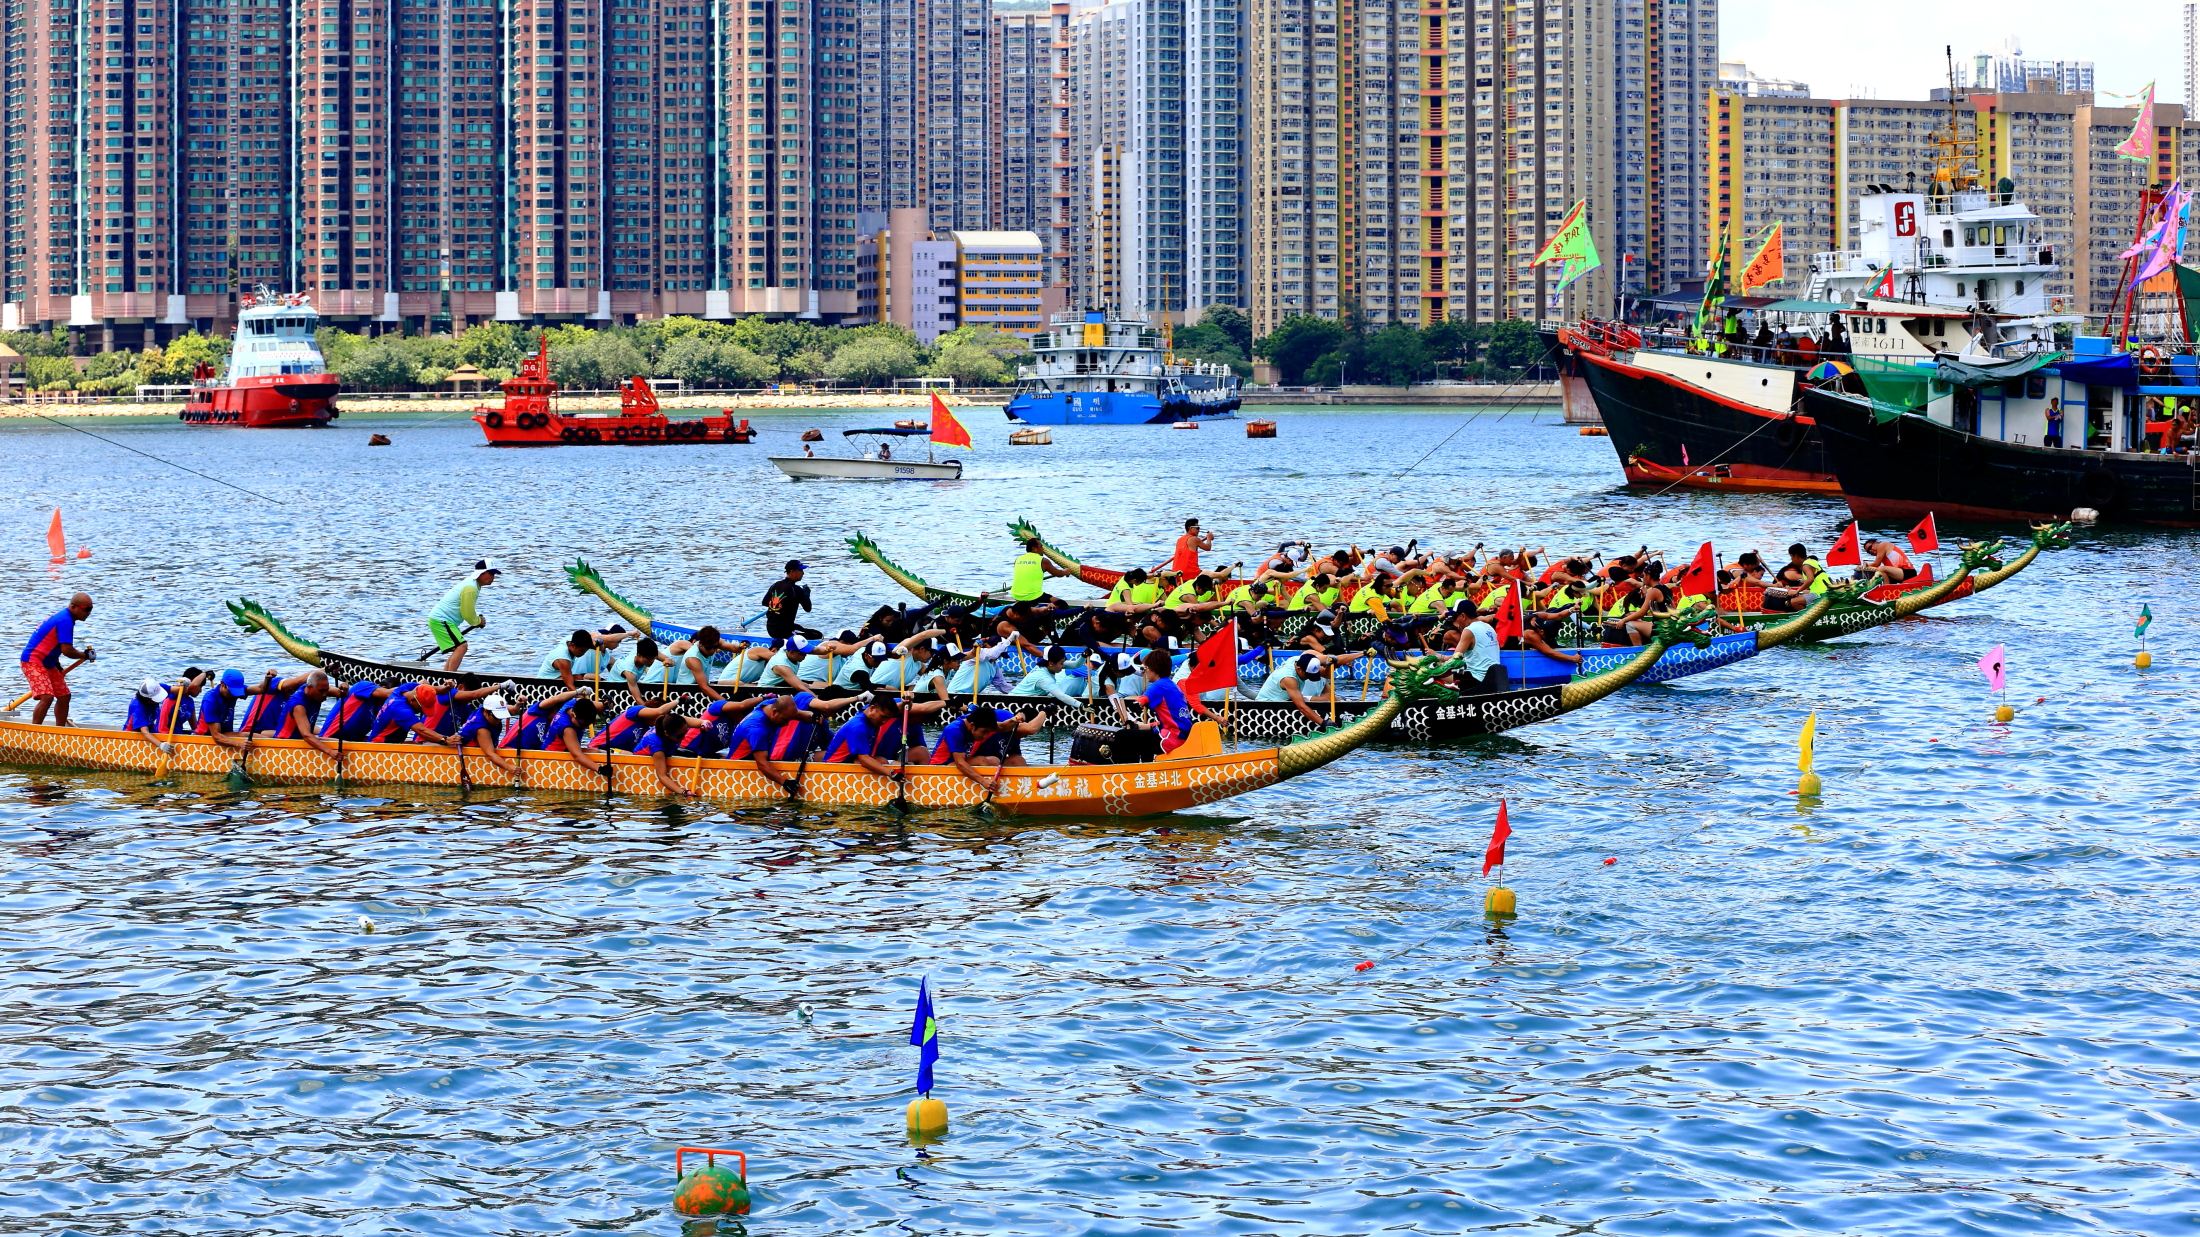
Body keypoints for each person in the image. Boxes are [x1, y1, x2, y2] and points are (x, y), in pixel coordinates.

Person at [729, 690, 856, 795]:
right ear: (774, 712)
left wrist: (812, 717)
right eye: (785, 720)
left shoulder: (770, 705)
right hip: (737, 770)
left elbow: (799, 715)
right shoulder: (757, 729)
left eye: (789, 720)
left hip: (755, 758)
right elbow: (762, 764)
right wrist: (785, 782)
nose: (786, 724)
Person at [825, 693, 950, 777]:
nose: (884, 722)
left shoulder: (873, 721)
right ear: (872, 708)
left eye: (887, 718)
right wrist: (891, 773)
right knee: (882, 761)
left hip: (854, 763)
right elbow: (863, 760)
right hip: (834, 772)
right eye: (883, 717)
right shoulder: (858, 726)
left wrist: (908, 702)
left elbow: (904, 707)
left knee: (888, 760)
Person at [20, 591, 95, 726]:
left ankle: (60, 732)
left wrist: (57, 663)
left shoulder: (65, 618)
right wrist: (84, 655)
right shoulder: (65, 620)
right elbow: (67, 650)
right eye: (86, 609)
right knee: (47, 697)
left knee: (64, 696)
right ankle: (33, 732)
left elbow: (51, 643)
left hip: (48, 662)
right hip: (33, 661)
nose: (89, 612)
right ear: (73, 607)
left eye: (91, 609)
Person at [933, 705, 1041, 794]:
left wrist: (1015, 719)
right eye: (984, 732)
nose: (985, 736)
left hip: (957, 764)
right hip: (940, 768)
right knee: (983, 760)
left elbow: (1003, 727)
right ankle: (988, 788)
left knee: (1003, 760)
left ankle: (1009, 789)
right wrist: (983, 781)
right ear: (972, 726)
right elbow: (960, 763)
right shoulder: (954, 730)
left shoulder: (980, 722)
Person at [1122, 647, 1207, 751]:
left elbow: (1144, 698)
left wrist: (1137, 704)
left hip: (1171, 739)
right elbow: (1170, 721)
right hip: (1183, 736)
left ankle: (1133, 766)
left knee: (1123, 734)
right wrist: (1140, 726)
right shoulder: (1173, 686)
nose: (1145, 672)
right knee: (1142, 733)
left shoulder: (1158, 685)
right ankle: (1148, 765)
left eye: (1146, 668)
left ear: (1154, 669)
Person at [427, 559, 500, 672]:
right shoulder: (471, 588)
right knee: (462, 646)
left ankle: (445, 676)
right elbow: (467, 614)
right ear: (482, 573)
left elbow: (467, 613)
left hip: (443, 620)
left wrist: (476, 620)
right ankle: (448, 679)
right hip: (441, 620)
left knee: (459, 647)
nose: (493, 577)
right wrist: (478, 621)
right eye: (490, 573)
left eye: (494, 574)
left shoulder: (472, 584)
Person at [269, 671, 346, 765]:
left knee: (342, 743)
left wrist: (344, 688)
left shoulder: (315, 690)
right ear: (309, 687)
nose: (325, 694)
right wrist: (330, 752)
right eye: (322, 691)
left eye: (326, 690)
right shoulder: (298, 705)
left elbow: (341, 693)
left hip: (301, 740)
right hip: (286, 745)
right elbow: (306, 735)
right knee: (335, 744)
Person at [125, 671, 206, 758]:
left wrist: (184, 685)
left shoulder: (157, 688)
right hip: (133, 736)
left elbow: (181, 691)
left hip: (152, 731)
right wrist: (160, 745)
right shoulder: (137, 707)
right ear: (147, 700)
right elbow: (145, 732)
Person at [196, 668, 277, 753]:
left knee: (248, 735)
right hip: (206, 738)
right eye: (232, 691)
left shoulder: (235, 690)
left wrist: (268, 678)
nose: (234, 695)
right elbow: (216, 736)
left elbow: (261, 689)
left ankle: (276, 746)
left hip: (225, 734)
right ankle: (275, 748)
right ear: (222, 684)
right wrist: (239, 744)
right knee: (244, 735)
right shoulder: (210, 700)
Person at [1255, 651, 1341, 726]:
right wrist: (1324, 723)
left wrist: (1329, 665)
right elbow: (1301, 707)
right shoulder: (1289, 678)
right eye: (1308, 675)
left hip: (1285, 700)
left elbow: (1326, 675)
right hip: (1266, 708)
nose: (1308, 678)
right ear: (1299, 669)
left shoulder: (1305, 664)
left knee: (1326, 698)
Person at [537, 626, 629, 688]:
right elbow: (570, 686)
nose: (583, 654)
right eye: (581, 651)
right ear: (572, 645)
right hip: (545, 684)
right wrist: (581, 700)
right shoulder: (563, 658)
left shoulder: (577, 641)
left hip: (560, 677)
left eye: (585, 651)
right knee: (580, 678)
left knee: (582, 677)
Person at [1451, 600, 1510, 693]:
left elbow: (1455, 659)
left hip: (1476, 677)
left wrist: (1437, 657)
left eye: (1455, 617)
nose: (1456, 621)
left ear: (1463, 616)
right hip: (1494, 675)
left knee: (1434, 676)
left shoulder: (1469, 630)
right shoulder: (1488, 626)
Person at [1008, 645, 1084, 709]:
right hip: (1014, 704)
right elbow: (1062, 696)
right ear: (1051, 663)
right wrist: (1082, 706)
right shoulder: (1044, 678)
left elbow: (1075, 665)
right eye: (1061, 663)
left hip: (1024, 701)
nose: (1063, 666)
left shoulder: (1048, 665)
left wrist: (1084, 655)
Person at [1761, 543, 1827, 612]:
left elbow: (1810, 579)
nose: (1792, 560)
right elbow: (1814, 585)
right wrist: (1798, 591)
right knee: (1800, 597)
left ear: (1796, 556)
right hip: (1823, 592)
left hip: (1820, 594)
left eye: (1791, 557)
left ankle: (1809, 619)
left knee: (1794, 602)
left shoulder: (1806, 565)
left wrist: (1796, 592)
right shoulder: (1812, 562)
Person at [1009, 537, 1074, 603]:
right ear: (1034, 549)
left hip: (1016, 595)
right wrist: (1066, 572)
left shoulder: (1018, 559)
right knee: (1062, 603)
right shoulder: (1043, 561)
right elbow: (1058, 574)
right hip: (1032, 597)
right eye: (1041, 546)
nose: (1043, 549)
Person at [761, 560, 814, 642]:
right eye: (800, 570)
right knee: (817, 635)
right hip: (784, 631)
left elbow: (764, 602)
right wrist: (806, 594)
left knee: (799, 628)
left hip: (770, 628)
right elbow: (808, 608)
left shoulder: (775, 585)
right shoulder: (795, 589)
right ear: (792, 572)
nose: (803, 573)